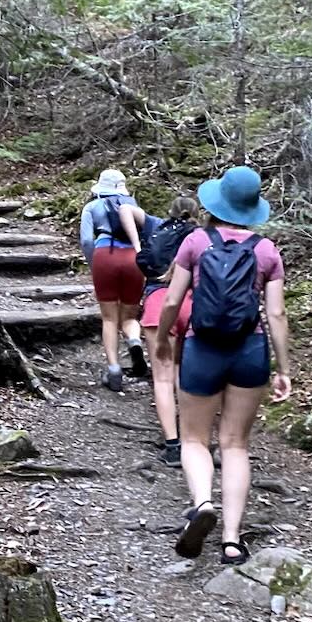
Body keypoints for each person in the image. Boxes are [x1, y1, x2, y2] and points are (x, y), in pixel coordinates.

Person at [154, 165, 291, 563]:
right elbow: (277, 315)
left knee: (194, 439)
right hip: (249, 350)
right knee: (236, 444)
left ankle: (202, 505)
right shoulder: (266, 251)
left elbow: (173, 301)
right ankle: (231, 540)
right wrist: (283, 369)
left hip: (203, 349)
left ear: (217, 202)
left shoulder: (196, 242)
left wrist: (163, 339)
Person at [138, 193, 200, 463]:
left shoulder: (159, 232)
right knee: (184, 373)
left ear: (170, 211)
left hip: (159, 302)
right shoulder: (202, 236)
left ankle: (173, 445)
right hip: (193, 304)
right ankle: (193, 438)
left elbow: (142, 260)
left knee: (162, 378)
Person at [79, 167, 147, 392]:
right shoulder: (133, 205)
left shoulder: (92, 206)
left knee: (109, 318)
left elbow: (87, 241)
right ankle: (135, 341)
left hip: (105, 256)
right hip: (132, 258)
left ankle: (114, 369)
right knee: (130, 315)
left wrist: (93, 263)